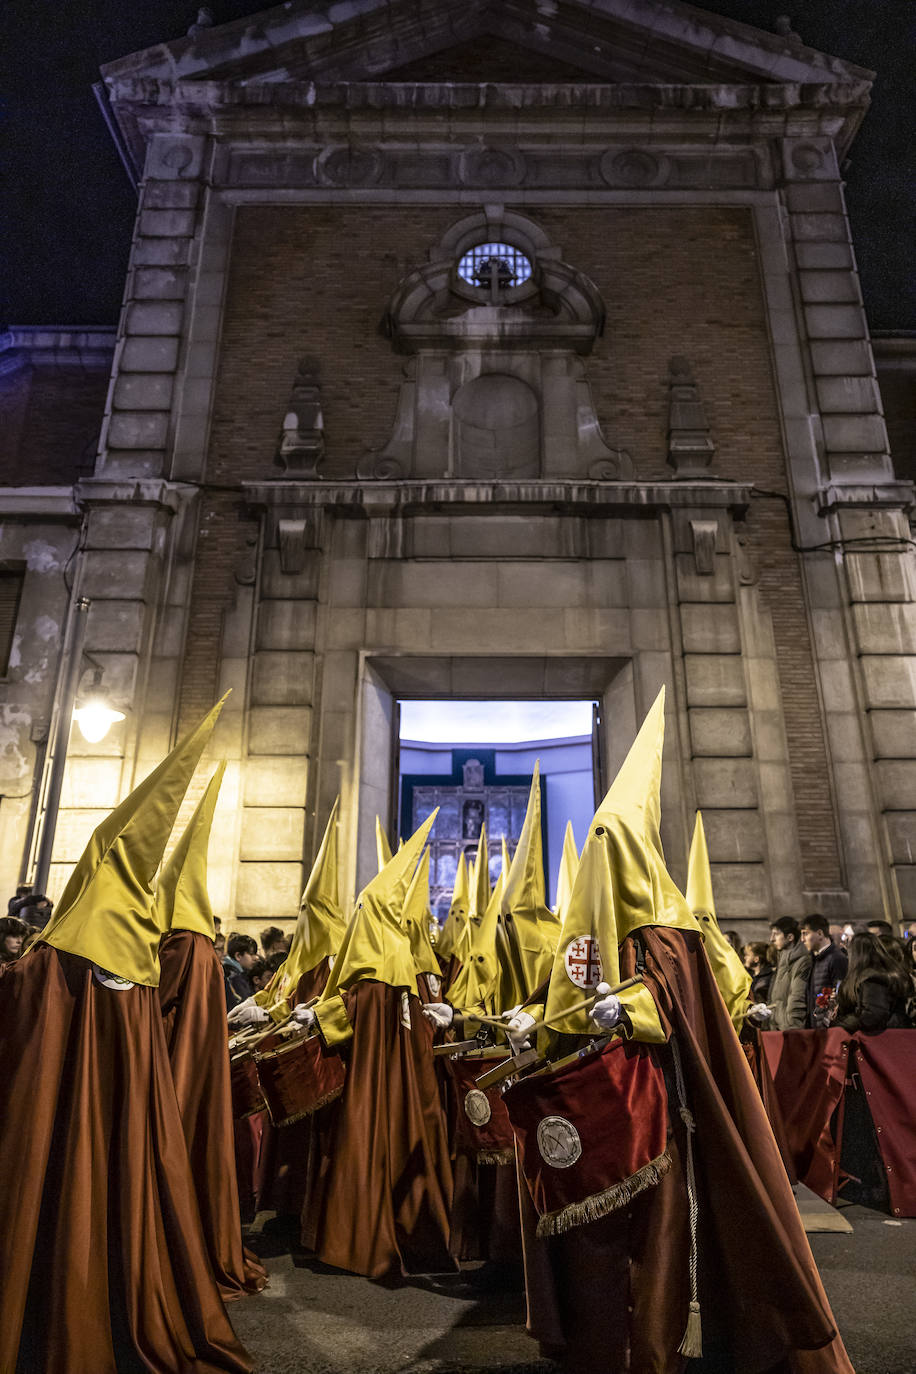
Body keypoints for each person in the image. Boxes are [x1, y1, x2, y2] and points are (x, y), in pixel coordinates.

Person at [0, 698, 253, 1373]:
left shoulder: (81, 934)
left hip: (65, 1110)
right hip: (133, 1105)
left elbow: (33, 1005)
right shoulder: (140, 934)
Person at [155, 762, 267, 1303]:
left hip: (175, 1065)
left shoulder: (177, 944)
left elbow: (157, 1007)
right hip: (205, 1063)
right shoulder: (202, 945)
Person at [836, 932, 911, 1033]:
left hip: (887, 1039)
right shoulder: (867, 976)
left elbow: (872, 1016)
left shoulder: (873, 978)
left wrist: (840, 1025)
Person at [756, 916, 811, 1029]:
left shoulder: (802, 961)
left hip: (789, 1030)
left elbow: (797, 997)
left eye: (776, 934)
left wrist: (793, 1028)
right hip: (776, 1028)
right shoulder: (781, 960)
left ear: (790, 937)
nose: (771, 939)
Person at [800, 914, 848, 1026]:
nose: (802, 940)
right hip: (816, 1025)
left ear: (820, 933)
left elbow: (840, 996)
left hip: (829, 1027)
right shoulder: (813, 959)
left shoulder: (837, 958)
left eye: (805, 934)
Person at [223, 933, 258, 1009]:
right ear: (238, 956)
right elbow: (245, 1006)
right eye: (251, 954)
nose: (256, 958)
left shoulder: (236, 973)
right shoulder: (233, 977)